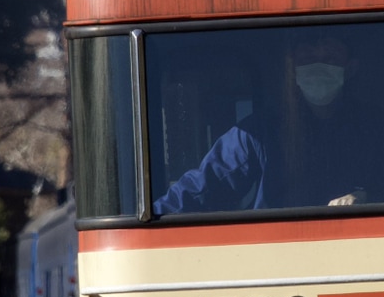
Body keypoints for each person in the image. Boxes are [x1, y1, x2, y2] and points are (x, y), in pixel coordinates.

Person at [153, 32, 372, 215]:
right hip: (276, 251)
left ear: (351, 68)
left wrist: (368, 196)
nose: (317, 66)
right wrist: (150, 219)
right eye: (307, 59)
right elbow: (206, 185)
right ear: (293, 71)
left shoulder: (378, 128)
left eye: (330, 58)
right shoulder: (259, 132)